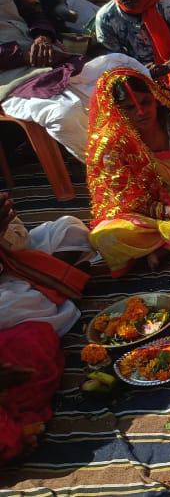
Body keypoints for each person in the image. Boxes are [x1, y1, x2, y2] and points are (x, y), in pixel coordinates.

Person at [85, 68, 170, 275]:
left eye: (145, 102)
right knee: (103, 236)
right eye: (130, 107)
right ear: (116, 110)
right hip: (153, 216)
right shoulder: (112, 146)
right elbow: (123, 200)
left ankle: (162, 246)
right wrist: (168, 211)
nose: (141, 112)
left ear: (156, 98)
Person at [0, 192, 93, 464]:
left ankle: (47, 284)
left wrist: (4, 231)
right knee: (30, 334)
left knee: (69, 230)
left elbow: (20, 237)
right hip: (8, 294)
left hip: (12, 265)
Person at [0, 0, 70, 95]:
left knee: (100, 79)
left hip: (41, 51)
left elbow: (32, 14)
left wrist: (43, 36)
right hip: (11, 75)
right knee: (64, 110)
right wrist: (25, 56)